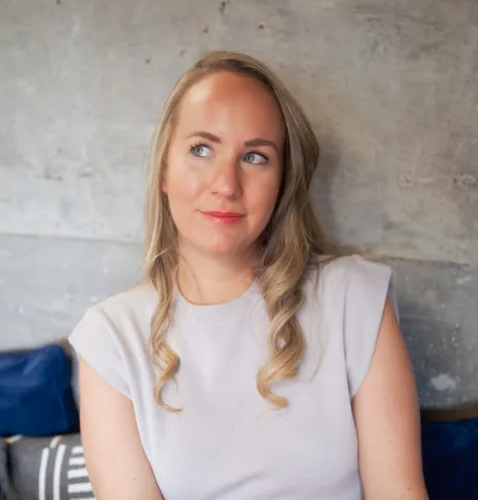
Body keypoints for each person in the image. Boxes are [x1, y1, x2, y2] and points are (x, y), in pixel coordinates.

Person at [69, 50, 428, 499]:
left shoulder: (353, 300)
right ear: (163, 170)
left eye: (256, 157)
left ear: (282, 183)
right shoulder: (111, 338)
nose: (226, 184)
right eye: (201, 149)